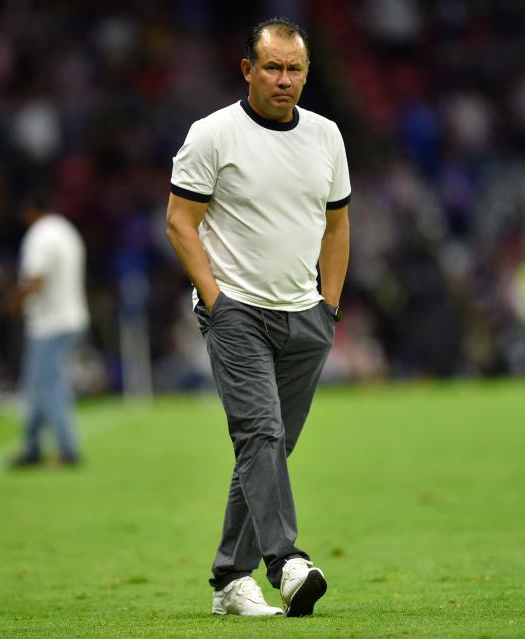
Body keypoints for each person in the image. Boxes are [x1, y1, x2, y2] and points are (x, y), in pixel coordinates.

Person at [165, 18, 351, 618]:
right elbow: (179, 221)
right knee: (262, 436)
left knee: (266, 449)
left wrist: (330, 306)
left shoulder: (326, 137)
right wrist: (216, 303)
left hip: (305, 315)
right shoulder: (213, 134)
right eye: (272, 67)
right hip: (237, 312)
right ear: (247, 69)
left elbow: (338, 224)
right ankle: (287, 564)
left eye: (295, 69)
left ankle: (228, 581)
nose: (284, 79)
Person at [8, 191, 88, 467]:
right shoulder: (66, 231)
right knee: (38, 385)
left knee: (48, 385)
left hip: (49, 324)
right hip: (73, 317)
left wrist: (11, 303)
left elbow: (36, 277)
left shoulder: (40, 235)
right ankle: (32, 445)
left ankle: (67, 448)